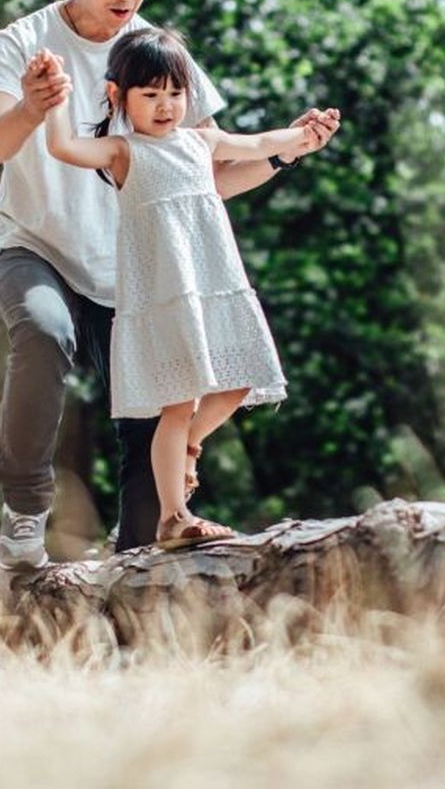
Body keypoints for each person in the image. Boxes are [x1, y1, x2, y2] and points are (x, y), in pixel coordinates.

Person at [0, 0, 338, 566]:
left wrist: (286, 149)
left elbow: (207, 176)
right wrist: (32, 105)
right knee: (46, 333)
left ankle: (136, 554)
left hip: (132, 271)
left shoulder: (160, 55)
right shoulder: (22, 42)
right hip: (32, 243)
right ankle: (25, 513)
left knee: (151, 440)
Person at [42, 27, 331, 547]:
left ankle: (190, 448)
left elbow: (264, 143)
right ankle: (173, 515)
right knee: (177, 404)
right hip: (164, 293)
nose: (165, 106)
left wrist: (304, 136)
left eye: (175, 94)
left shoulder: (203, 141)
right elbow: (62, 146)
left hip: (215, 283)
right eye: (150, 95)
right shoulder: (122, 151)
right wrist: (55, 95)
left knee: (239, 380)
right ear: (118, 96)